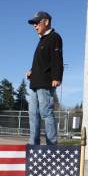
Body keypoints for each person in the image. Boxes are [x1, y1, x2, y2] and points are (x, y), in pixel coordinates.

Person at [26, 11, 63, 145]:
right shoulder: (42, 40)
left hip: (46, 83)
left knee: (46, 113)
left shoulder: (54, 37)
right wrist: (32, 71)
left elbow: (57, 59)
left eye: (37, 23)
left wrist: (57, 77)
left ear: (46, 22)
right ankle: (33, 144)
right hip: (35, 83)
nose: (35, 26)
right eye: (33, 24)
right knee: (33, 114)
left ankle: (51, 146)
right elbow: (41, 62)